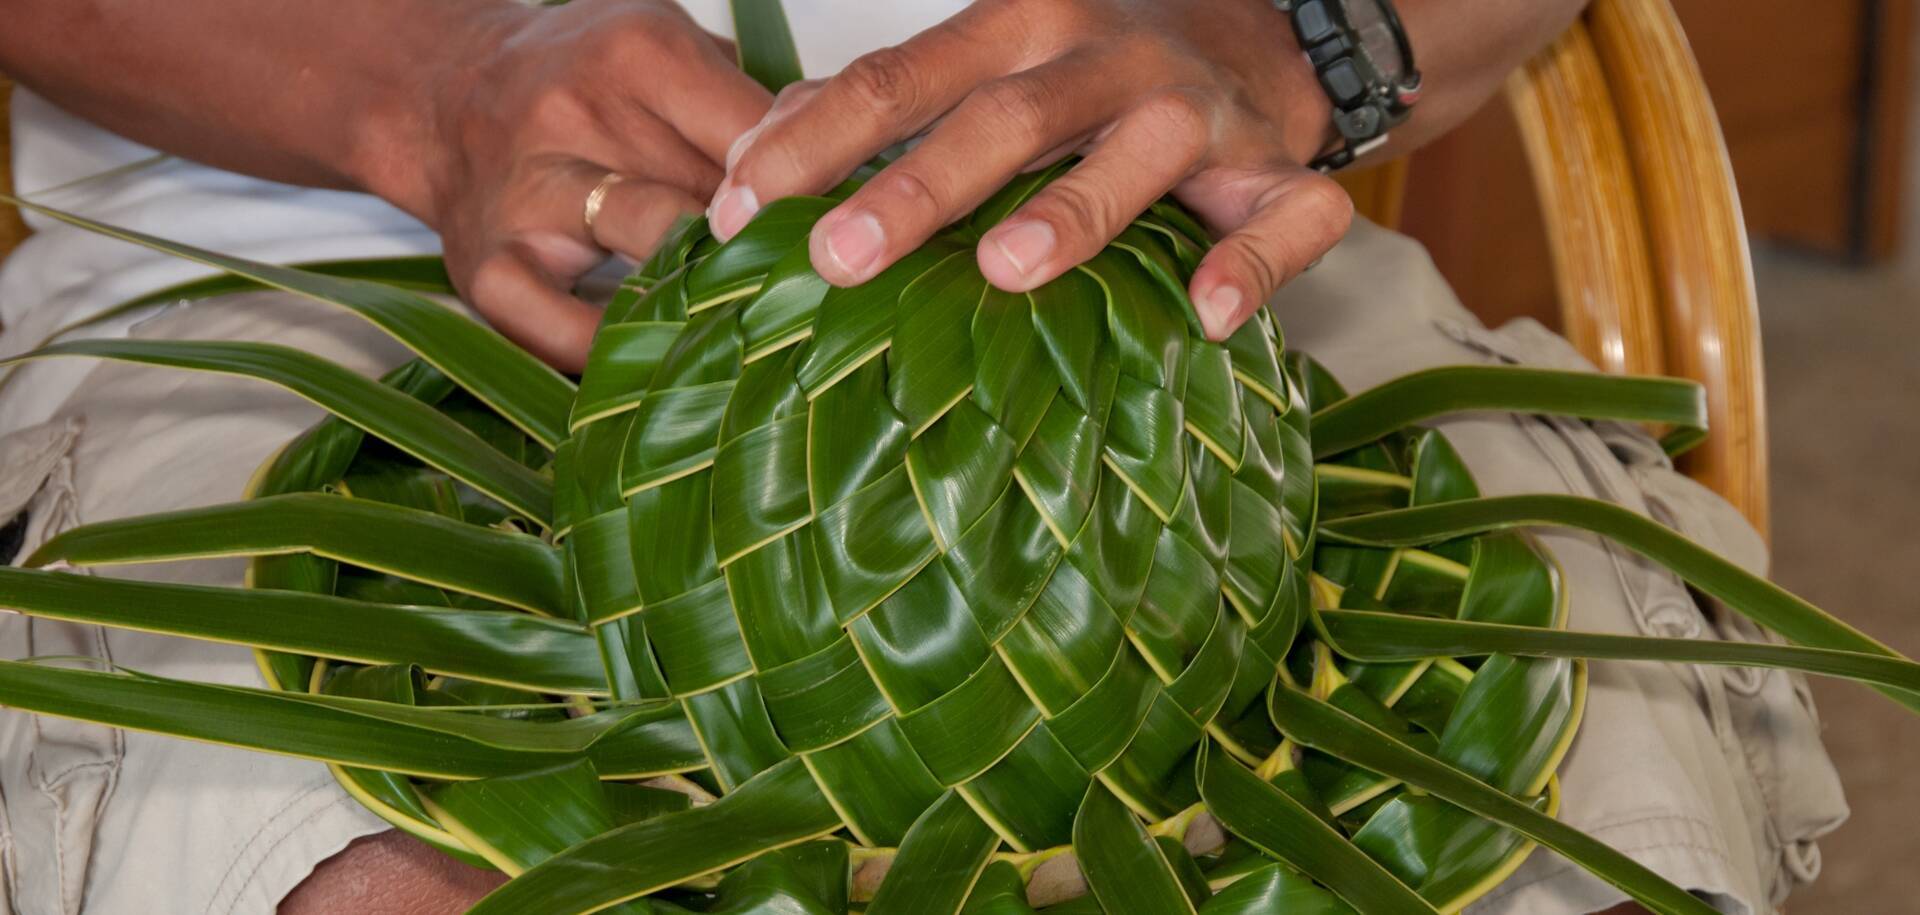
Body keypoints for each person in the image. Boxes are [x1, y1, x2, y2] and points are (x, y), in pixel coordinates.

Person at [0, 1, 1846, 913]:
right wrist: (421, 85)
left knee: (1578, 864)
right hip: (333, 253)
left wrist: (1285, 43)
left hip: (1198, 240)